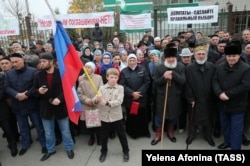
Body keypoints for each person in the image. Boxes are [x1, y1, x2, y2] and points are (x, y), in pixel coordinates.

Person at [32, 53, 75, 161]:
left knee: (65, 130)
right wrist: (38, 91)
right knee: (48, 132)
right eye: (40, 61)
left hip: (60, 107)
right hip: (45, 108)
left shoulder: (62, 73)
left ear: (52, 62)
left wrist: (60, 99)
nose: (41, 63)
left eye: (44, 61)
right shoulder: (38, 75)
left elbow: (68, 89)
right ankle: (50, 149)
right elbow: (33, 90)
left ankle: (69, 148)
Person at [4, 52, 46, 155]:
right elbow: (7, 87)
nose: (14, 64)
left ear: (23, 60)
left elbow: (36, 86)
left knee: (38, 125)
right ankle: (26, 144)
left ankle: (44, 144)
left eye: (16, 62)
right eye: (12, 62)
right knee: (22, 127)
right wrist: (17, 95)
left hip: (32, 104)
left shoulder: (33, 71)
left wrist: (26, 94)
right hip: (18, 105)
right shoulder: (9, 74)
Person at [213, 44, 250, 150]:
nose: (231, 58)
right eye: (229, 56)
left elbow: (245, 85)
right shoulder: (220, 67)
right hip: (222, 103)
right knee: (225, 126)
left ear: (239, 56)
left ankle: (235, 149)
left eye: (234, 56)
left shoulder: (246, 68)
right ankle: (227, 142)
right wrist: (219, 93)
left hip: (238, 105)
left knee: (236, 129)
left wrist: (227, 94)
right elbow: (215, 81)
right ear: (226, 56)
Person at [151, 47, 186, 145]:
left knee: (173, 116)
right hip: (162, 97)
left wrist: (173, 74)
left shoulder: (180, 67)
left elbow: (183, 81)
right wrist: (164, 77)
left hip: (175, 96)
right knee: (159, 116)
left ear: (176, 57)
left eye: (173, 57)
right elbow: (156, 82)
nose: (171, 59)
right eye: (169, 57)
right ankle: (158, 134)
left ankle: (170, 132)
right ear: (164, 58)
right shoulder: (159, 67)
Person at [95, 68, 129, 163]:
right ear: (107, 78)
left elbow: (119, 101)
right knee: (104, 136)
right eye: (111, 77)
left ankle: (126, 151)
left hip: (116, 117)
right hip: (104, 117)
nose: (113, 79)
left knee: (121, 135)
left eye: (115, 77)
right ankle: (103, 151)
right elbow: (95, 99)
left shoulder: (120, 88)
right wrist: (96, 100)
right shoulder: (101, 88)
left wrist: (106, 102)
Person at [185, 45, 217, 147]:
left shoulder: (212, 67)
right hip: (195, 98)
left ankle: (208, 135)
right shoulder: (189, 68)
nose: (201, 56)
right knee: (193, 117)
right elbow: (187, 85)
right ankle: (192, 135)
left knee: (208, 117)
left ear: (206, 55)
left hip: (208, 98)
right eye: (199, 54)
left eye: (203, 54)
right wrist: (191, 98)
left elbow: (215, 82)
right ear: (194, 55)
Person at [120, 54, 150, 139]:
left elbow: (147, 82)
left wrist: (139, 93)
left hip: (141, 97)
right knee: (132, 117)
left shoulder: (143, 69)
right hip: (130, 98)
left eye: (134, 60)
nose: (132, 62)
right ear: (127, 61)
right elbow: (122, 85)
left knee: (142, 116)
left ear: (137, 61)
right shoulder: (124, 71)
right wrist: (132, 93)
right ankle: (133, 133)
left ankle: (145, 132)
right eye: (130, 60)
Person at [77, 62, 103, 146]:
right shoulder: (82, 79)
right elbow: (80, 93)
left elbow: (101, 90)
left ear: (93, 69)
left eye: (89, 67)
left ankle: (99, 137)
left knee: (98, 123)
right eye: (86, 67)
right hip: (87, 105)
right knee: (90, 123)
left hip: (96, 104)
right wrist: (88, 100)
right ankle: (91, 137)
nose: (87, 69)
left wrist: (94, 100)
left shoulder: (98, 78)